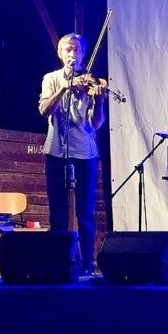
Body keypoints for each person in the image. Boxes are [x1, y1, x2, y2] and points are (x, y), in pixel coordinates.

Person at [39, 33, 107, 276]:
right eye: (68, 49)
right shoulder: (51, 79)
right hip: (56, 151)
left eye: (76, 49)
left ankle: (87, 266)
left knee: (86, 214)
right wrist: (64, 88)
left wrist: (99, 102)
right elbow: (44, 110)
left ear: (83, 54)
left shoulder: (91, 81)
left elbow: (96, 124)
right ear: (60, 53)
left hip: (85, 153)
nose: (72, 53)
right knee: (57, 213)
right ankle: (58, 265)